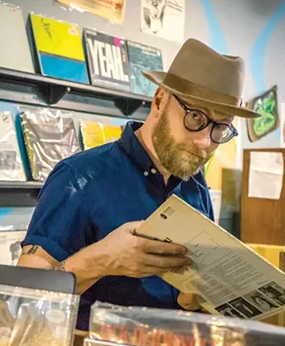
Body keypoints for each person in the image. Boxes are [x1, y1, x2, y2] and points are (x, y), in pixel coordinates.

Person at [18, 39, 260, 330]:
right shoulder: (78, 176)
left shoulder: (195, 185)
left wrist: (197, 299)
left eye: (220, 127)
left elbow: (188, 298)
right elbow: (24, 298)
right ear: (159, 100)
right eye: (195, 116)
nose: (205, 142)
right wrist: (102, 260)